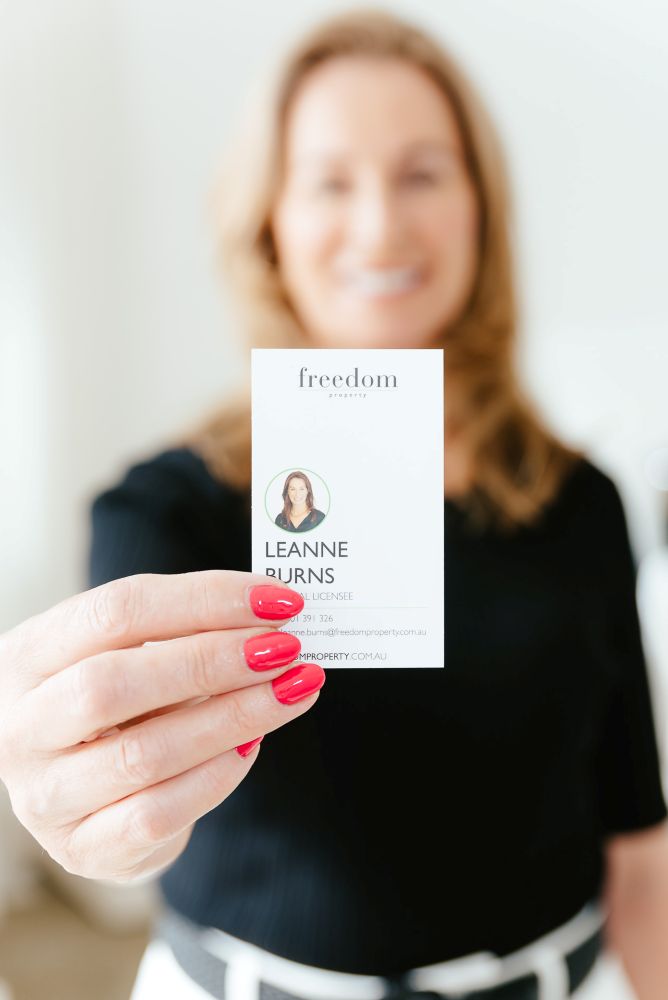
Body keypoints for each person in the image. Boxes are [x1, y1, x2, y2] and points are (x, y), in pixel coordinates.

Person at [1, 9, 667, 1000]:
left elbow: (637, 842)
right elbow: (128, 816)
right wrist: (83, 803)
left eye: (421, 174)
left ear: (478, 208)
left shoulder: (580, 503)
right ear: (267, 220)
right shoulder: (164, 512)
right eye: (328, 181)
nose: (377, 226)